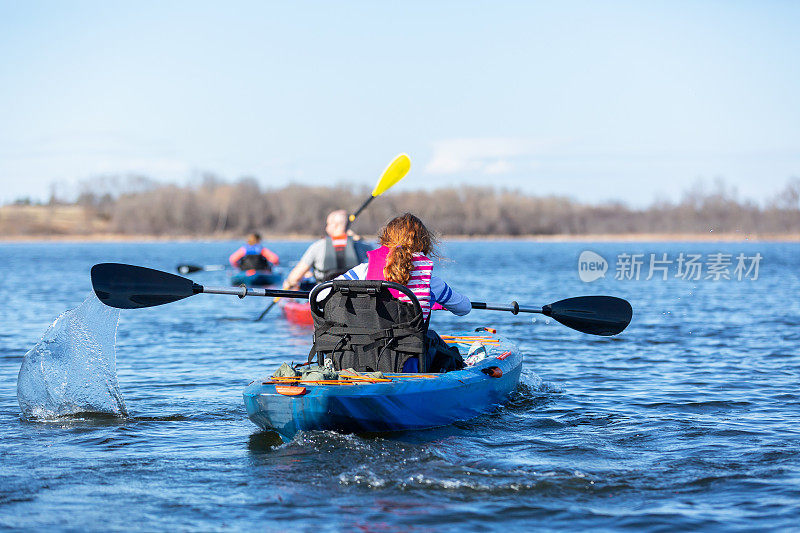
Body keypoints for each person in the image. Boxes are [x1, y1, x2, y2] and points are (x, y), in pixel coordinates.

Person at [335, 213, 470, 372]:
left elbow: (319, 294)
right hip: (407, 363)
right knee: (434, 340)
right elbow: (464, 308)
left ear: (385, 239)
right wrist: (433, 300)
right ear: (423, 242)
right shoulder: (430, 282)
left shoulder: (362, 271)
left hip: (360, 358)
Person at [283, 209, 372, 289]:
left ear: (335, 225)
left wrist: (288, 283)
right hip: (355, 297)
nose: (326, 227)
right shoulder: (362, 246)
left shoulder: (318, 246)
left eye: (328, 224)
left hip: (325, 297)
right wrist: (357, 237)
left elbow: (295, 277)